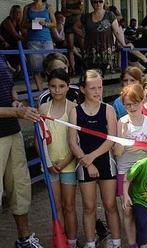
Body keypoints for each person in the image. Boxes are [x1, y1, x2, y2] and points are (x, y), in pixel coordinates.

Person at [68, 69, 121, 248]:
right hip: (84, 164)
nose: (98, 92)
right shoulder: (75, 112)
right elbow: (73, 143)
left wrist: (91, 158)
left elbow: (111, 139)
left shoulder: (108, 109)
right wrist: (87, 162)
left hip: (105, 162)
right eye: (93, 88)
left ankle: (116, 241)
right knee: (89, 206)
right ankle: (90, 243)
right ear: (82, 89)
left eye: (100, 87)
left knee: (110, 204)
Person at [0, 54, 44, 248]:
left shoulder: (1, 56)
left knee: (21, 187)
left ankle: (24, 240)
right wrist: (16, 112)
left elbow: (9, 88)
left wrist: (16, 101)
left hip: (12, 131)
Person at [36, 69, 79, 248]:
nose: (57, 90)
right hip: (49, 164)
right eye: (53, 86)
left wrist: (65, 161)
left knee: (69, 205)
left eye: (61, 86)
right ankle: (61, 242)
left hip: (68, 164)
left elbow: (75, 141)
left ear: (68, 87)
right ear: (48, 87)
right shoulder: (44, 108)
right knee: (57, 206)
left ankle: (73, 240)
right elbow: (39, 140)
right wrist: (47, 162)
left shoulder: (73, 109)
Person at [114, 84, 147, 248]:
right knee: (127, 210)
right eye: (128, 104)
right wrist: (123, 134)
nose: (131, 107)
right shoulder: (122, 122)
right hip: (124, 171)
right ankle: (132, 244)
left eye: (135, 103)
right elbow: (117, 152)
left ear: (142, 101)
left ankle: (143, 241)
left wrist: (140, 146)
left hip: (144, 171)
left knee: (144, 209)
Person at [73, 0, 132, 74]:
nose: (98, 4)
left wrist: (123, 44)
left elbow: (117, 31)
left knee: (100, 74)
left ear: (103, 2)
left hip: (105, 51)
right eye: (95, 2)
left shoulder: (110, 15)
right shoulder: (86, 16)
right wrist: (84, 35)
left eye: (100, 1)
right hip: (90, 51)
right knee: (90, 74)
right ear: (91, 3)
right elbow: (75, 27)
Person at [22, 0, 56, 92]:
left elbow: (54, 23)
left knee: (50, 66)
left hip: (46, 39)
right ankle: (40, 91)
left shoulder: (48, 7)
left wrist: (45, 24)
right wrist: (32, 24)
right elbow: (23, 23)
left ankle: (52, 90)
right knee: (36, 69)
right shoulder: (27, 7)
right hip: (33, 40)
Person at [61, 0, 83, 75]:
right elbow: (64, 13)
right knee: (70, 47)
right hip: (69, 24)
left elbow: (80, 11)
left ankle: (85, 66)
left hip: (79, 24)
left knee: (82, 46)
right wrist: (74, 11)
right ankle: (73, 69)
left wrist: (69, 10)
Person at [1, 5, 25, 72]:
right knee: (19, 44)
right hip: (5, 41)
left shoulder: (18, 21)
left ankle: (20, 66)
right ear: (12, 12)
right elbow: (16, 35)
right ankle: (16, 66)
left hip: (13, 42)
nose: (18, 14)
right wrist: (25, 37)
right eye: (16, 12)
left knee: (26, 43)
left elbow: (24, 33)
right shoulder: (8, 21)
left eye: (19, 12)